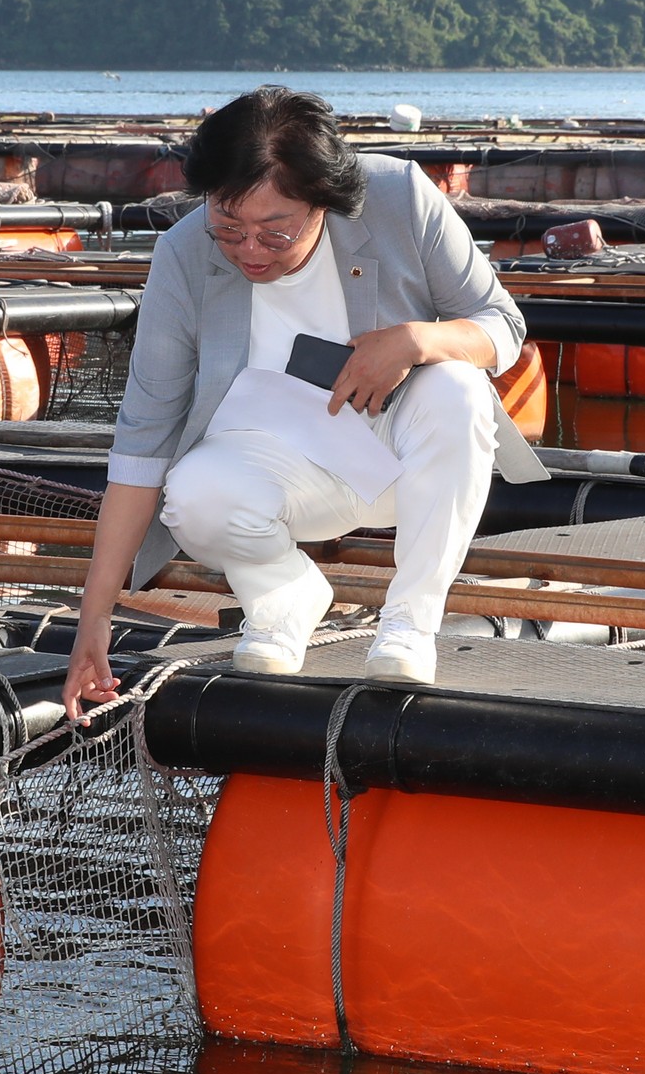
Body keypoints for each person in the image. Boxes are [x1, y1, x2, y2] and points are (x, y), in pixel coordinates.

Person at [61, 87, 544, 714]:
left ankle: (409, 620)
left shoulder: (399, 195)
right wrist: (94, 615)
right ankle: (283, 596)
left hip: (405, 453)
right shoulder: (183, 253)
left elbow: (502, 327)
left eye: (274, 232)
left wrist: (415, 340)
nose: (249, 252)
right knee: (194, 494)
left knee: (456, 385)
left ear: (325, 202)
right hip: (275, 465)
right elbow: (143, 438)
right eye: (228, 229)